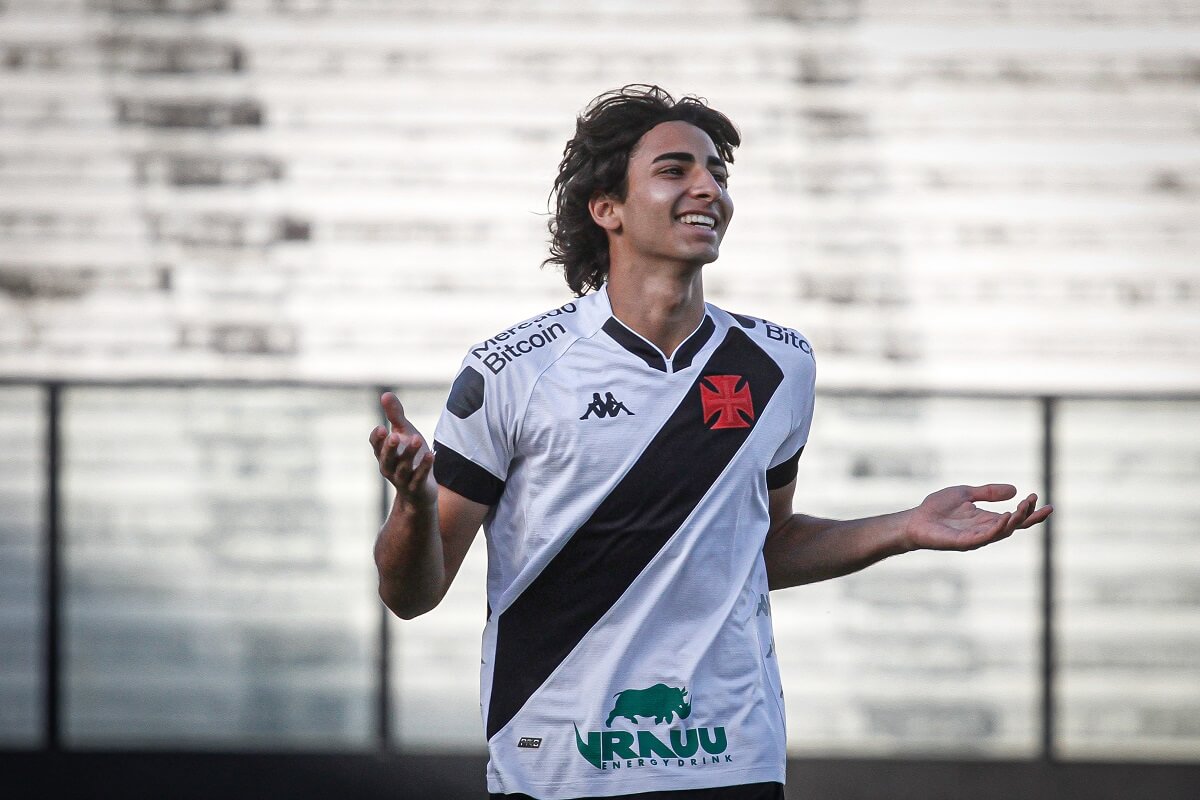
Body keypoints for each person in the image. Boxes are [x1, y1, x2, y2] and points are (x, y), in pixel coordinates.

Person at [368, 85, 1052, 800]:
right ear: (608, 210)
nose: (708, 188)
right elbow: (410, 594)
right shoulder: (513, 371)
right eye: (675, 170)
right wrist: (415, 504)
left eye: (717, 172)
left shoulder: (779, 364)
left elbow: (766, 543)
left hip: (733, 757)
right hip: (560, 766)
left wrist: (903, 528)